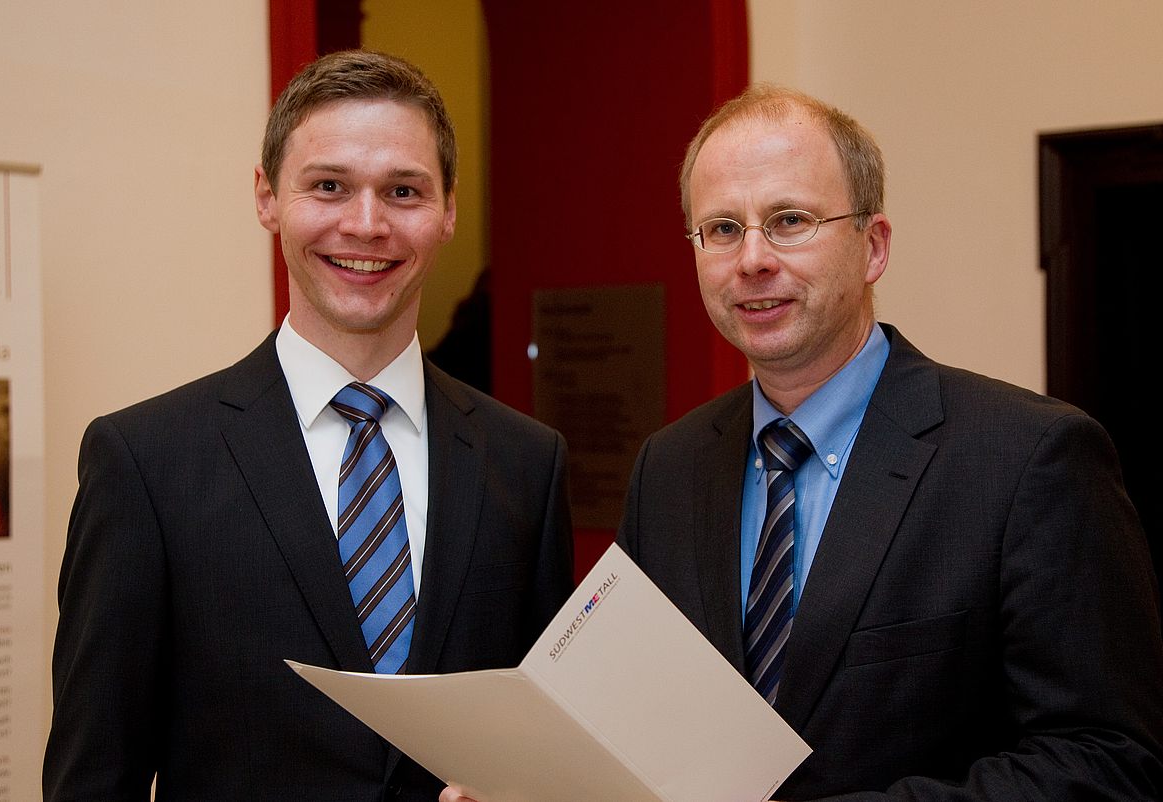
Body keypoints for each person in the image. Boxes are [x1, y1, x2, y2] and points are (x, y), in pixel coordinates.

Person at [440, 82, 1163, 802]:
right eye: (722, 228)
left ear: (873, 246)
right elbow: (636, 723)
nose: (752, 259)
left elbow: (1105, 762)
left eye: (789, 220)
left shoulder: (1028, 459)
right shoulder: (671, 467)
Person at [44, 49, 573, 801]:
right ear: (266, 198)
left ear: (449, 208)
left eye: (404, 191)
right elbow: (94, 778)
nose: (367, 224)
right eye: (329, 186)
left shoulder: (525, 463)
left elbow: (550, 747)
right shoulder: (145, 464)